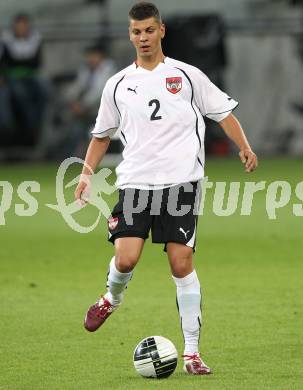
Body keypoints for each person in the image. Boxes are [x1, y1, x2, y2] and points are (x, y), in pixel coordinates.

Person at [75, 2, 258, 376]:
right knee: (126, 259)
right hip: (136, 183)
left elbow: (223, 113)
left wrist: (244, 146)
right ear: (130, 35)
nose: (142, 38)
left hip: (181, 184)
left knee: (181, 263)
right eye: (136, 32)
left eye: (148, 30)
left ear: (162, 31)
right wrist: (86, 173)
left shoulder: (188, 75)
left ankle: (192, 353)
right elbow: (101, 135)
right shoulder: (118, 85)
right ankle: (111, 297)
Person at [56, 44, 116, 158]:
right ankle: (70, 155)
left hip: (104, 110)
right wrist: (71, 100)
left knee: (77, 126)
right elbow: (77, 86)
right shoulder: (86, 69)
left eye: (93, 56)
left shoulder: (108, 69)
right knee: (68, 120)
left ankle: (78, 154)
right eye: (89, 56)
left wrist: (82, 106)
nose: (90, 59)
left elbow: (98, 92)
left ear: (101, 56)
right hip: (86, 110)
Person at [1, 13, 47, 146]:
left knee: (46, 90)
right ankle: (30, 125)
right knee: (21, 94)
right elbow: (7, 62)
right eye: (19, 26)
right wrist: (23, 62)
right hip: (13, 77)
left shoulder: (35, 38)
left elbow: (36, 63)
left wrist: (20, 62)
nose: (22, 29)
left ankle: (39, 124)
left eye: (24, 26)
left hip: (32, 75)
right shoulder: (7, 39)